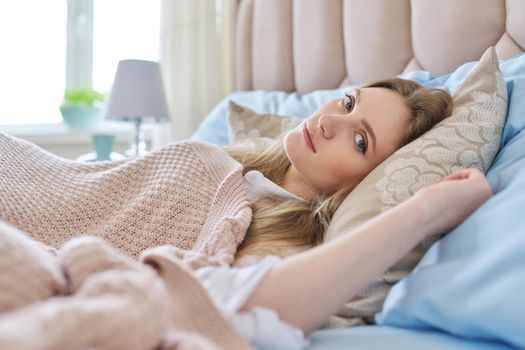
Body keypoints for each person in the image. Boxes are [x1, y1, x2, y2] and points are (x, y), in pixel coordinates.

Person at [191, 77, 492, 349]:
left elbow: (204, 311)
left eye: (360, 141)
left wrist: (426, 209)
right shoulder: (206, 159)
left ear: (369, 179)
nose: (329, 121)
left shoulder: (291, 253)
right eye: (347, 102)